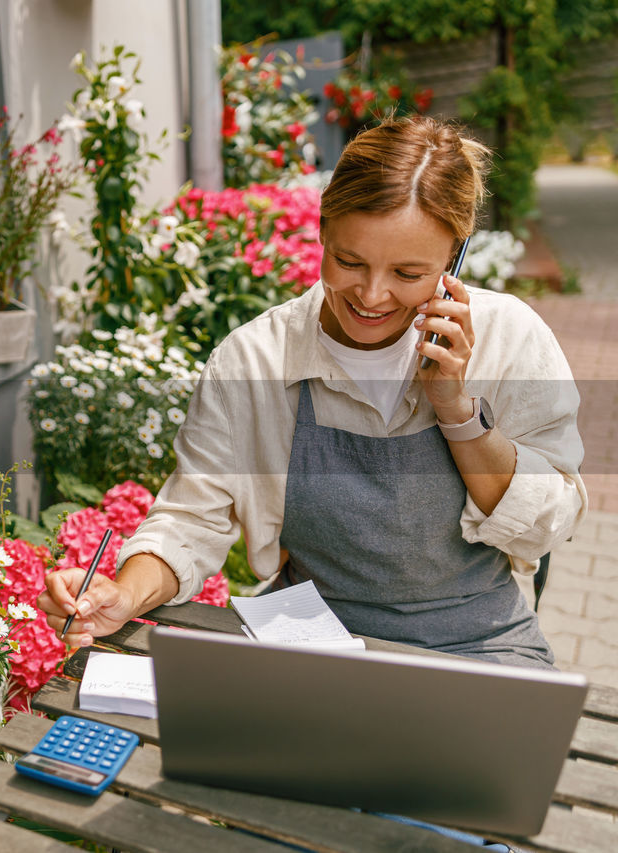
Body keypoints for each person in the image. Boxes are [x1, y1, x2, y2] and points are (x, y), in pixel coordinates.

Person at [40, 116, 586, 669]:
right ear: (322, 228)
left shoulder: (511, 338)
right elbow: (191, 519)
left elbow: (550, 525)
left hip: (480, 644)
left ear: (455, 256)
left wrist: (458, 411)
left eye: (407, 272)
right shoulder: (253, 359)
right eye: (349, 261)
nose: (372, 295)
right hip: (309, 639)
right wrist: (123, 594)